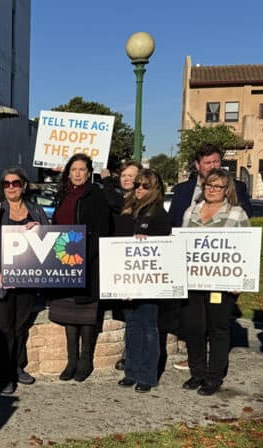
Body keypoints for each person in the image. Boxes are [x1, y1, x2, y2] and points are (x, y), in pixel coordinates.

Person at [180, 169, 250, 396]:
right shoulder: (192, 210)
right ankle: (197, 372)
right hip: (193, 281)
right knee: (194, 328)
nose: (211, 190)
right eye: (208, 185)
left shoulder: (237, 214)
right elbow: (181, 243)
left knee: (217, 328)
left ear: (226, 190)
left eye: (217, 186)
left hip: (221, 283)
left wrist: (240, 281)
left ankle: (214, 376)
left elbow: (245, 249)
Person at [0, 167, 48, 394]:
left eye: (16, 183)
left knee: (20, 327)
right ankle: (3, 374)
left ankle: (17, 366)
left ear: (24, 186)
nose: (11, 187)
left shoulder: (36, 210)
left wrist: (40, 229)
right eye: (7, 183)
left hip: (27, 279)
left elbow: (48, 240)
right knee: (3, 328)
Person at [49, 153, 112, 382]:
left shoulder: (96, 194)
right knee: (68, 312)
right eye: (73, 169)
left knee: (86, 313)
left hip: (88, 260)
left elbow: (103, 229)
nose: (77, 174)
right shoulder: (62, 194)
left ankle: (86, 359)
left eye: (82, 169)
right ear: (68, 173)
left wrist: (85, 256)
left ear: (89, 173)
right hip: (64, 260)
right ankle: (71, 360)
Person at [114, 169, 172, 393]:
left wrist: (147, 242)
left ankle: (147, 375)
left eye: (145, 185)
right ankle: (132, 372)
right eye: (137, 184)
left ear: (154, 188)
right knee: (132, 327)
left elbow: (163, 247)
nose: (139, 189)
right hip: (127, 276)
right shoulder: (128, 209)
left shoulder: (158, 214)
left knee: (149, 327)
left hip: (148, 280)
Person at [107, 160, 143, 371]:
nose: (127, 179)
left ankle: (132, 355)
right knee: (126, 312)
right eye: (124, 175)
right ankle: (130, 352)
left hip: (136, 261)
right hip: (117, 260)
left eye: (132, 175)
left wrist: (105, 179)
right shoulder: (119, 198)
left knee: (136, 312)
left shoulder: (140, 200)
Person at [168, 143, 252, 228]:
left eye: (216, 162)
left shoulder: (238, 187)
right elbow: (172, 223)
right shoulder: (181, 190)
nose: (212, 166)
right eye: (207, 163)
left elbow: (246, 221)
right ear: (197, 165)